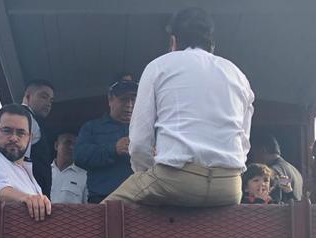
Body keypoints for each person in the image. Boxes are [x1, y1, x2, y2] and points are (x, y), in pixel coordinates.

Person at [106, 7, 254, 208]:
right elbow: (244, 143)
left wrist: (150, 174)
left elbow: (140, 143)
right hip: (228, 187)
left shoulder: (159, 66)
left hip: (177, 180)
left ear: (173, 40)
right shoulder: (238, 75)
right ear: (211, 43)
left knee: (102, 216)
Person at [0, 103, 52, 222]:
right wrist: (27, 198)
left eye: (21, 133)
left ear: (30, 139)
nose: (14, 138)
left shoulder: (24, 168)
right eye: (7, 131)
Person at [75, 78, 137, 203]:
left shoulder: (145, 129)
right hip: (102, 200)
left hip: (139, 200)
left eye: (133, 100)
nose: (129, 105)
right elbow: (79, 156)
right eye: (124, 99)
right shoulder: (92, 127)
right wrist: (113, 149)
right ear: (110, 99)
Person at [21, 79, 55, 197]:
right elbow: (18, 161)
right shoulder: (24, 118)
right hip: (28, 198)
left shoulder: (34, 121)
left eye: (51, 100)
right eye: (43, 96)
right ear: (28, 96)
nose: (48, 103)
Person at [249, 134, 303, 202]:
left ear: (263, 150)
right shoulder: (295, 171)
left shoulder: (272, 171)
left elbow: (272, 202)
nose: (254, 159)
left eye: (254, 153)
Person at [50, 132, 88, 203]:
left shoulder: (84, 176)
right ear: (56, 145)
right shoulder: (43, 172)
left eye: (75, 145)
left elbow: (88, 207)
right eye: (67, 143)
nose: (71, 147)